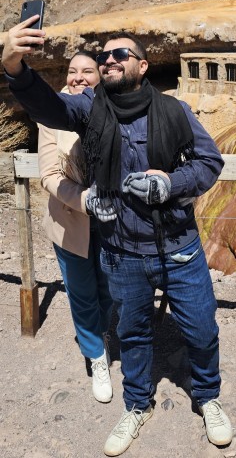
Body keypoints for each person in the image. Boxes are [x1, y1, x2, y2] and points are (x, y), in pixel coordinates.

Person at [2, 15, 233, 457]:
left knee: (202, 329)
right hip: (122, 251)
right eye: (103, 55)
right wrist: (15, 66)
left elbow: (209, 163)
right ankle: (137, 404)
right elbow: (49, 107)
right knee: (133, 335)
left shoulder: (175, 111)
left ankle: (208, 398)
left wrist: (170, 183)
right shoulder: (90, 109)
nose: (108, 60)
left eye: (119, 54)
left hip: (179, 247)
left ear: (142, 66)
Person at [38, 51, 113, 404]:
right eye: (71, 71)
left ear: (101, 76)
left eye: (87, 71)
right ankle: (96, 356)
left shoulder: (114, 108)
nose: (77, 77)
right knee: (82, 294)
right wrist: (86, 200)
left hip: (112, 223)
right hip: (71, 221)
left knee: (109, 289)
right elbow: (49, 175)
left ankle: (101, 332)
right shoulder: (52, 113)